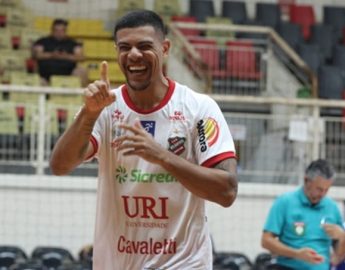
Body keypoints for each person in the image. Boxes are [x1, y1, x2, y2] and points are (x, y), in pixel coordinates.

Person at [50, 10, 238, 270]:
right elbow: (60, 166)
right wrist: (88, 115)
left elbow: (226, 191)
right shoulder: (102, 110)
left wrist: (161, 156)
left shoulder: (199, 108)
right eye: (125, 47)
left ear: (165, 48)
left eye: (144, 46)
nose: (134, 54)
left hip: (183, 263)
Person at [261, 159, 345, 270]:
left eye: (326, 190)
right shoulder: (285, 202)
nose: (323, 194)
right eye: (319, 189)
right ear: (306, 181)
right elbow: (266, 241)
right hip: (287, 267)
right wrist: (297, 254)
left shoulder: (332, 207)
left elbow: (338, 256)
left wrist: (342, 237)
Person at [32, 18, 88, 86]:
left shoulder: (73, 43)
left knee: (82, 71)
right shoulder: (42, 41)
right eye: (56, 30)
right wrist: (52, 55)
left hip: (68, 73)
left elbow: (81, 57)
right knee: (37, 77)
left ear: (65, 31)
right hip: (46, 75)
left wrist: (65, 56)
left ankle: (80, 95)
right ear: (52, 30)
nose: (59, 33)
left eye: (61, 31)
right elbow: (37, 55)